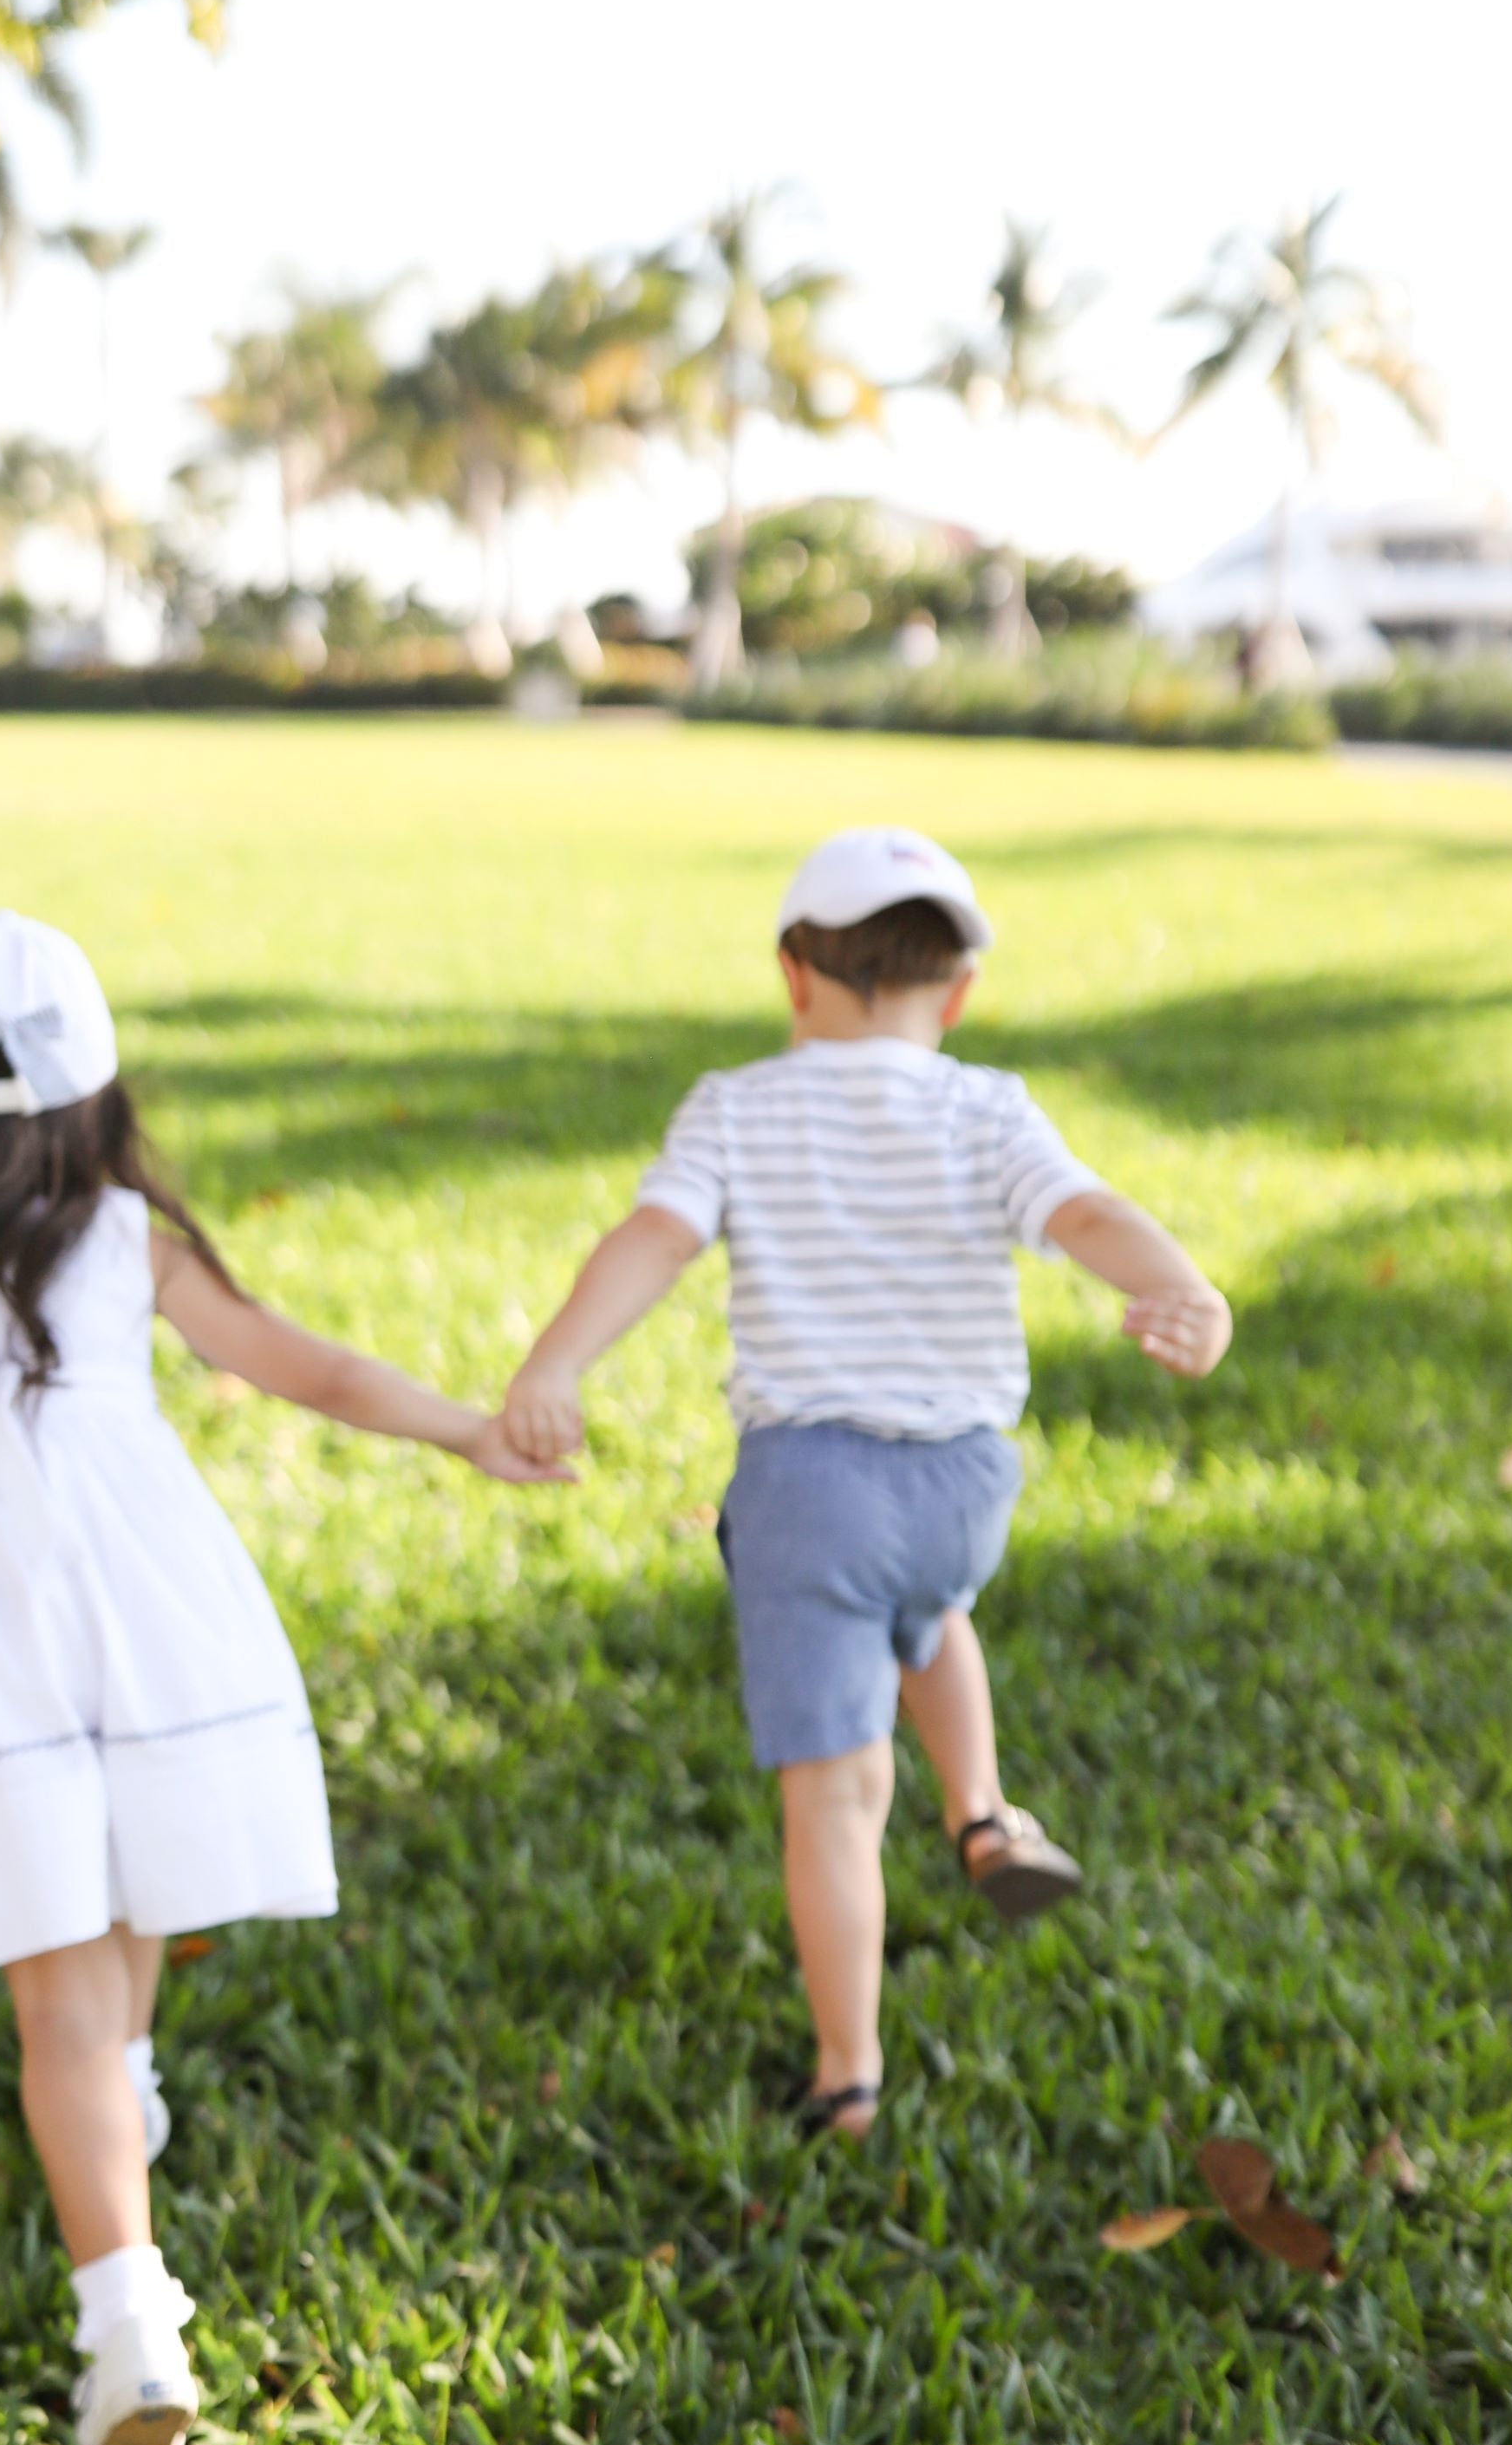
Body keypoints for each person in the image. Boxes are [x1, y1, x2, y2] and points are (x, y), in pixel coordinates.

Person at [0, 910, 567, 2445]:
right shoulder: (120, 1237)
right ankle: (127, 2102)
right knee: (123, 1944)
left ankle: (128, 2330)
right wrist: (462, 1428)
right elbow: (297, 1363)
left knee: (65, 2007)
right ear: (94, 1099)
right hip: (157, 1638)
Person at [502, 824, 1231, 2138]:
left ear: (795, 975)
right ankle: (985, 1813)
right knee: (929, 1611)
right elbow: (1087, 1214)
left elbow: (653, 1239)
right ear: (956, 996)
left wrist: (554, 1364)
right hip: (964, 1492)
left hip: (814, 1488)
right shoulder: (988, 1104)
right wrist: (1182, 1288)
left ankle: (849, 2071)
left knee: (837, 1795)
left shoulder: (737, 1104)